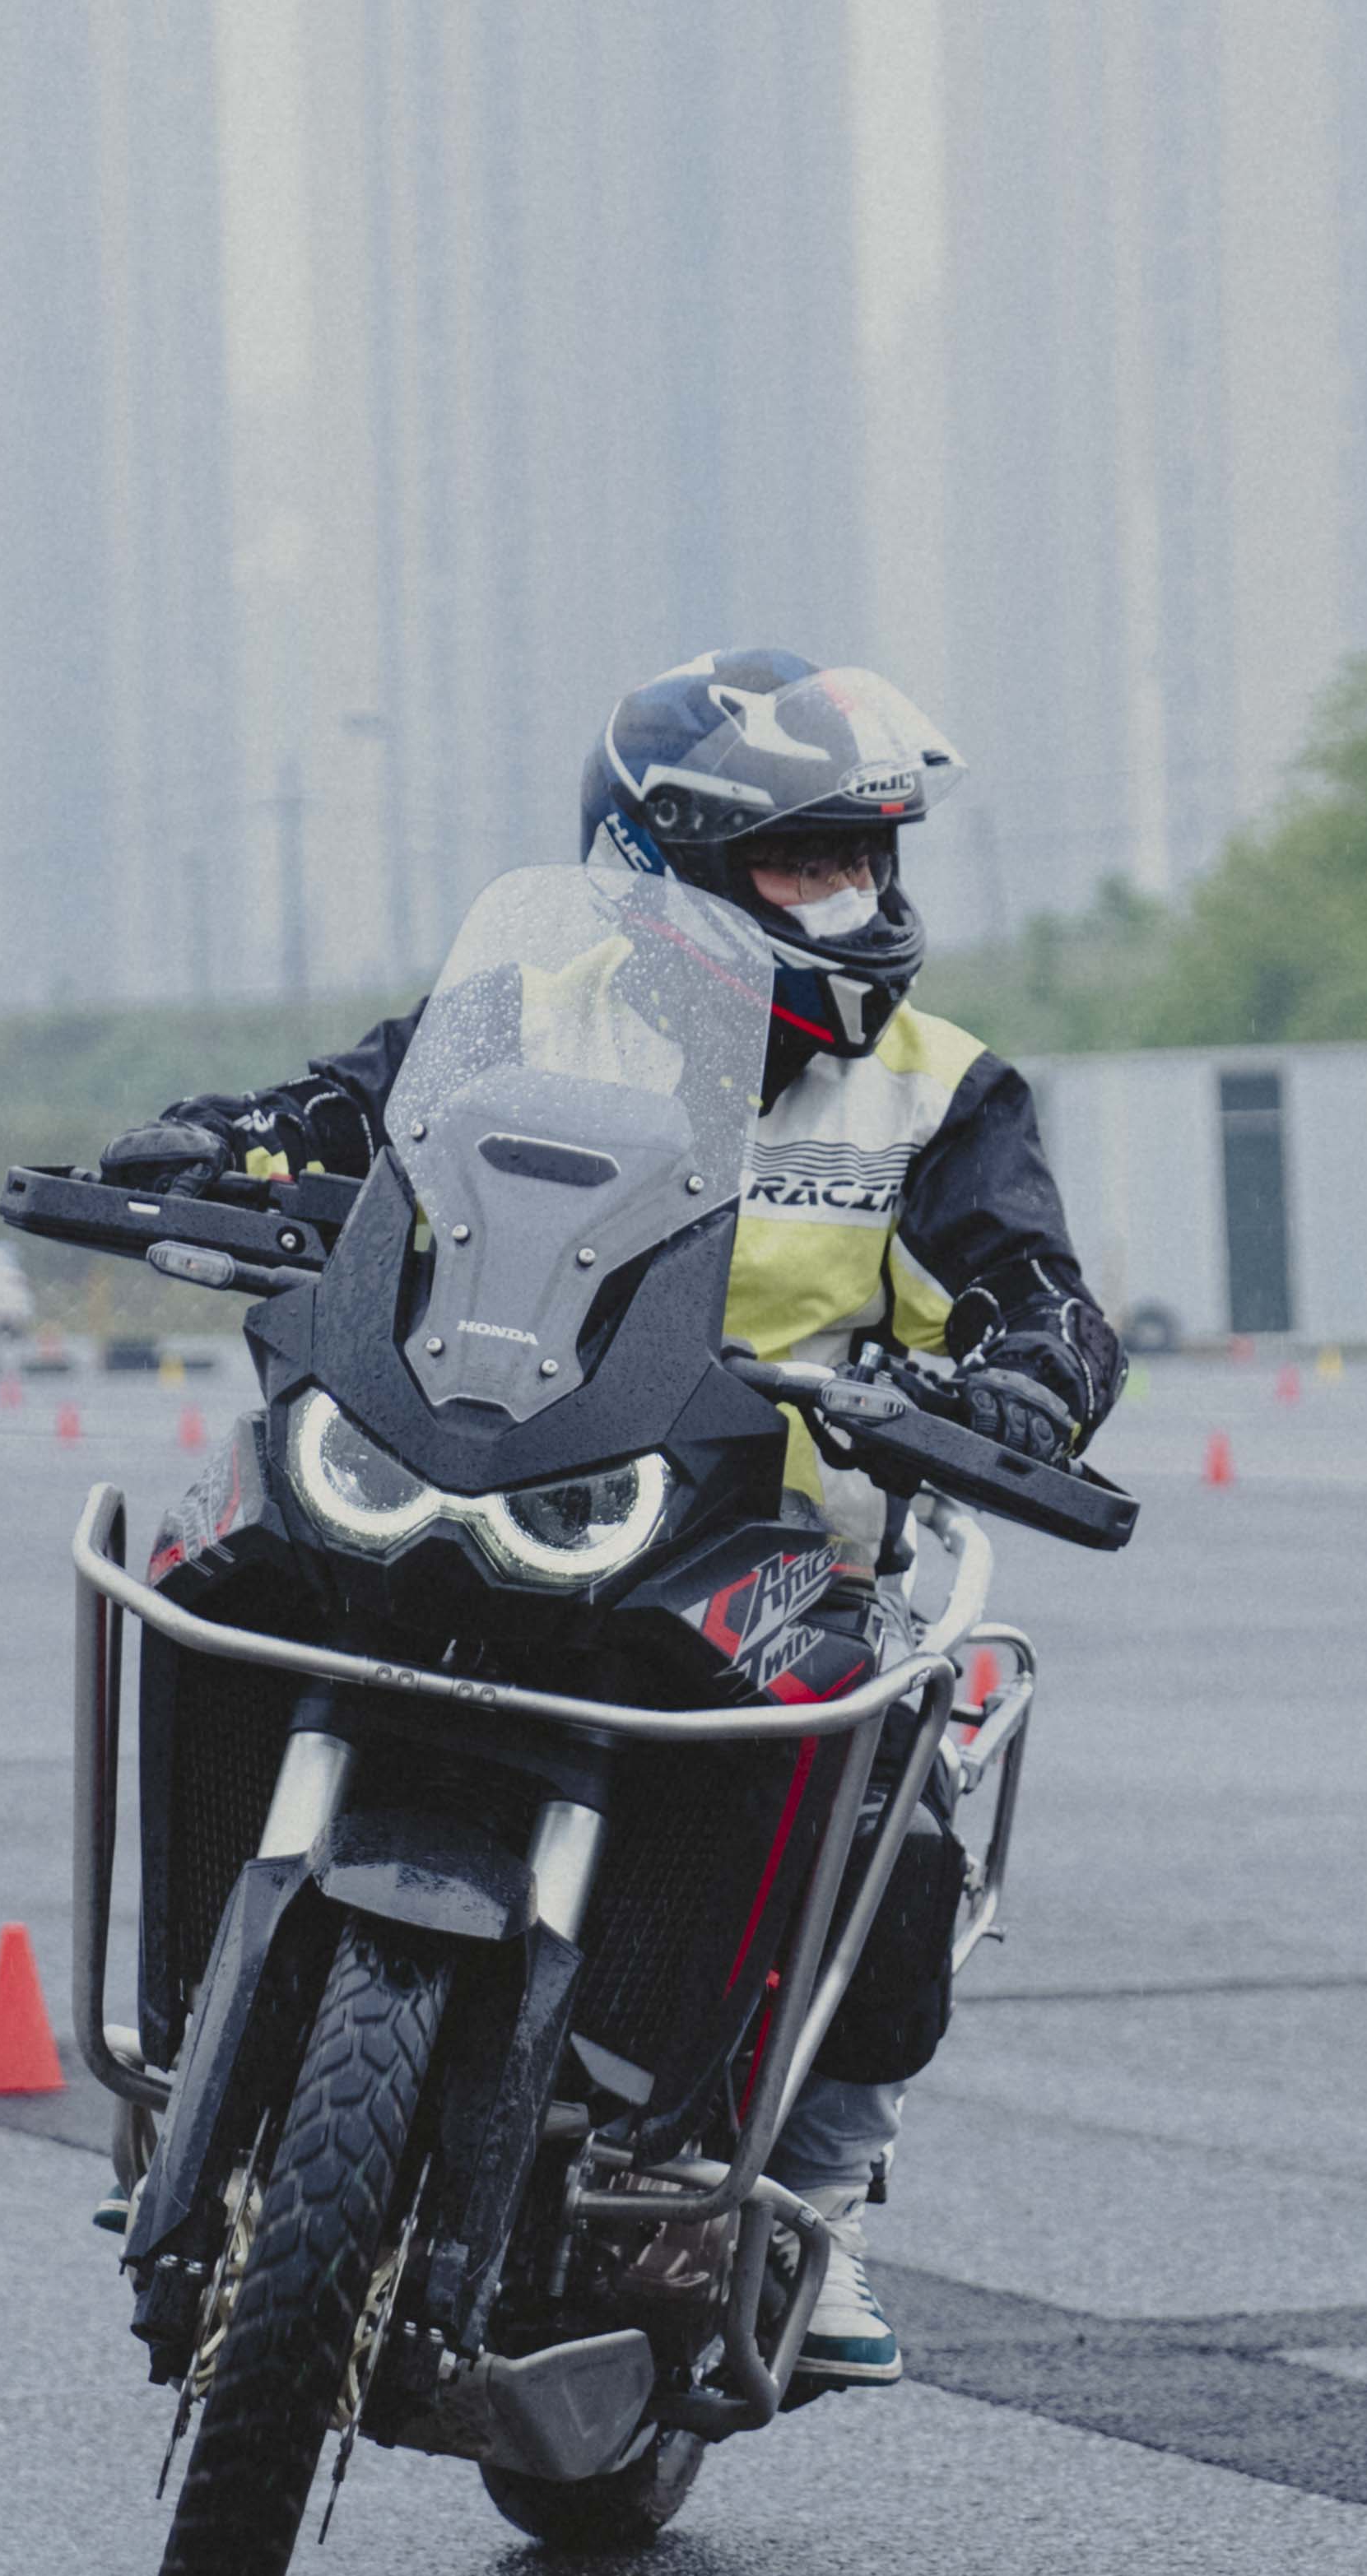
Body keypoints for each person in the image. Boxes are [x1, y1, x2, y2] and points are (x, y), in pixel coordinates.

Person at [99, 650, 1123, 2389]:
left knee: (902, 1790)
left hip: (758, 1547)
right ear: (666, 870)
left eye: (869, 860)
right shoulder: (518, 1009)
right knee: (211, 1557)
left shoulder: (940, 1091)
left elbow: (1033, 1290)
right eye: (810, 863)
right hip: (463, 1453)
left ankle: (807, 2192)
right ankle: (196, 2032)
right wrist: (220, 1146)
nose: (855, 900)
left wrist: (1027, 1374)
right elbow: (337, 1113)